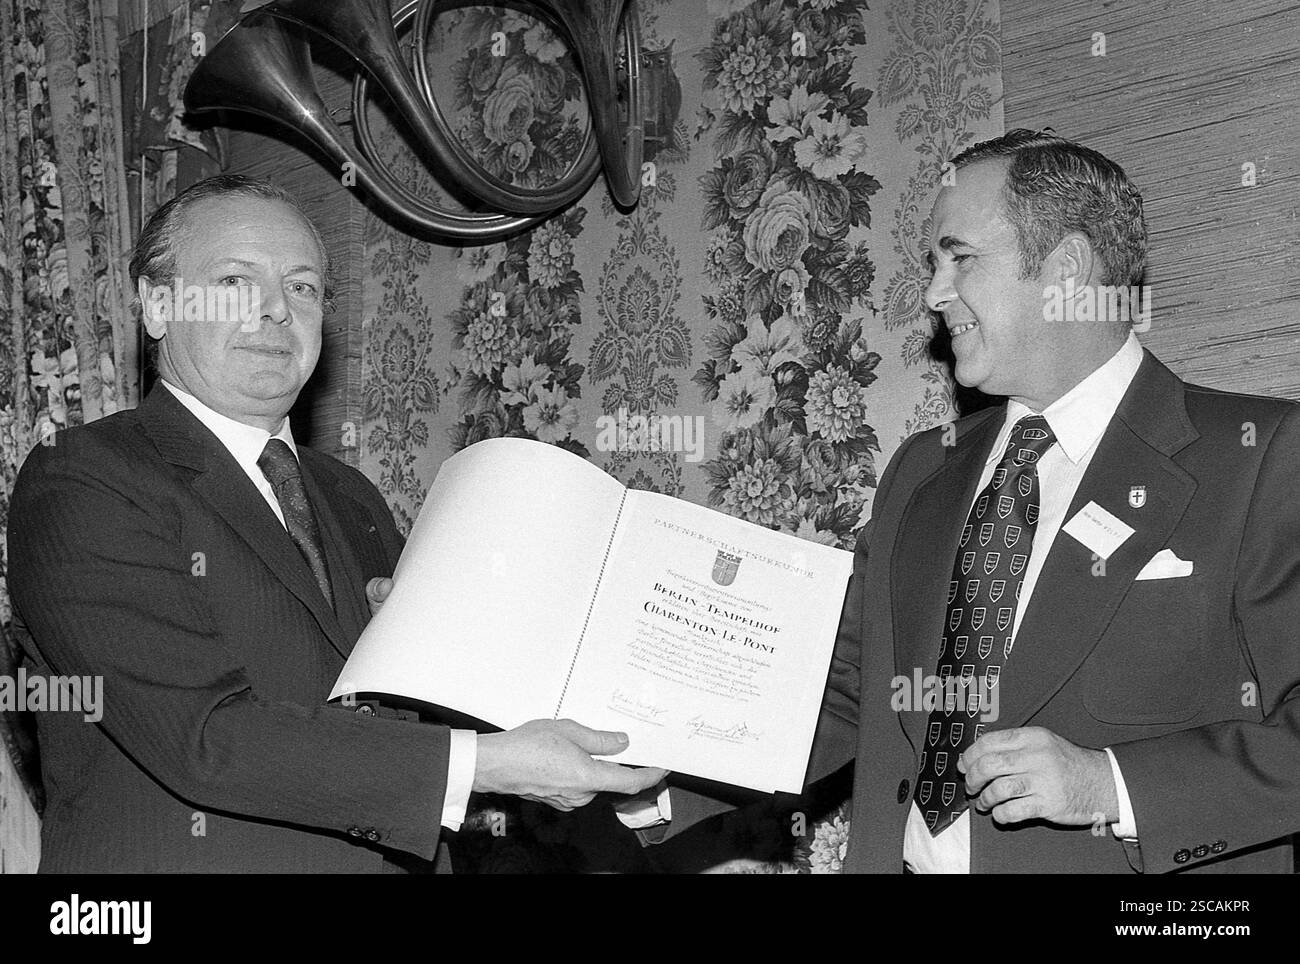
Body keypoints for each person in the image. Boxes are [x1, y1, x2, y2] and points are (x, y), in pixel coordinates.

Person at [644, 129, 1300, 872]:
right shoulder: (922, 471)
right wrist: (657, 777)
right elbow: (846, 700)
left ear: (1067, 269)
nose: (931, 293)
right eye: (933, 263)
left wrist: (1107, 785)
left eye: (960, 258)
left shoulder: (1261, 455)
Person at [7, 174, 664, 872]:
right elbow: (204, 737)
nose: (275, 310)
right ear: (158, 305)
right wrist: (494, 762)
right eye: (235, 280)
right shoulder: (84, 478)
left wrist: (620, 756)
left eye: (303, 287)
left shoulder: (352, 497)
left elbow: (404, 737)